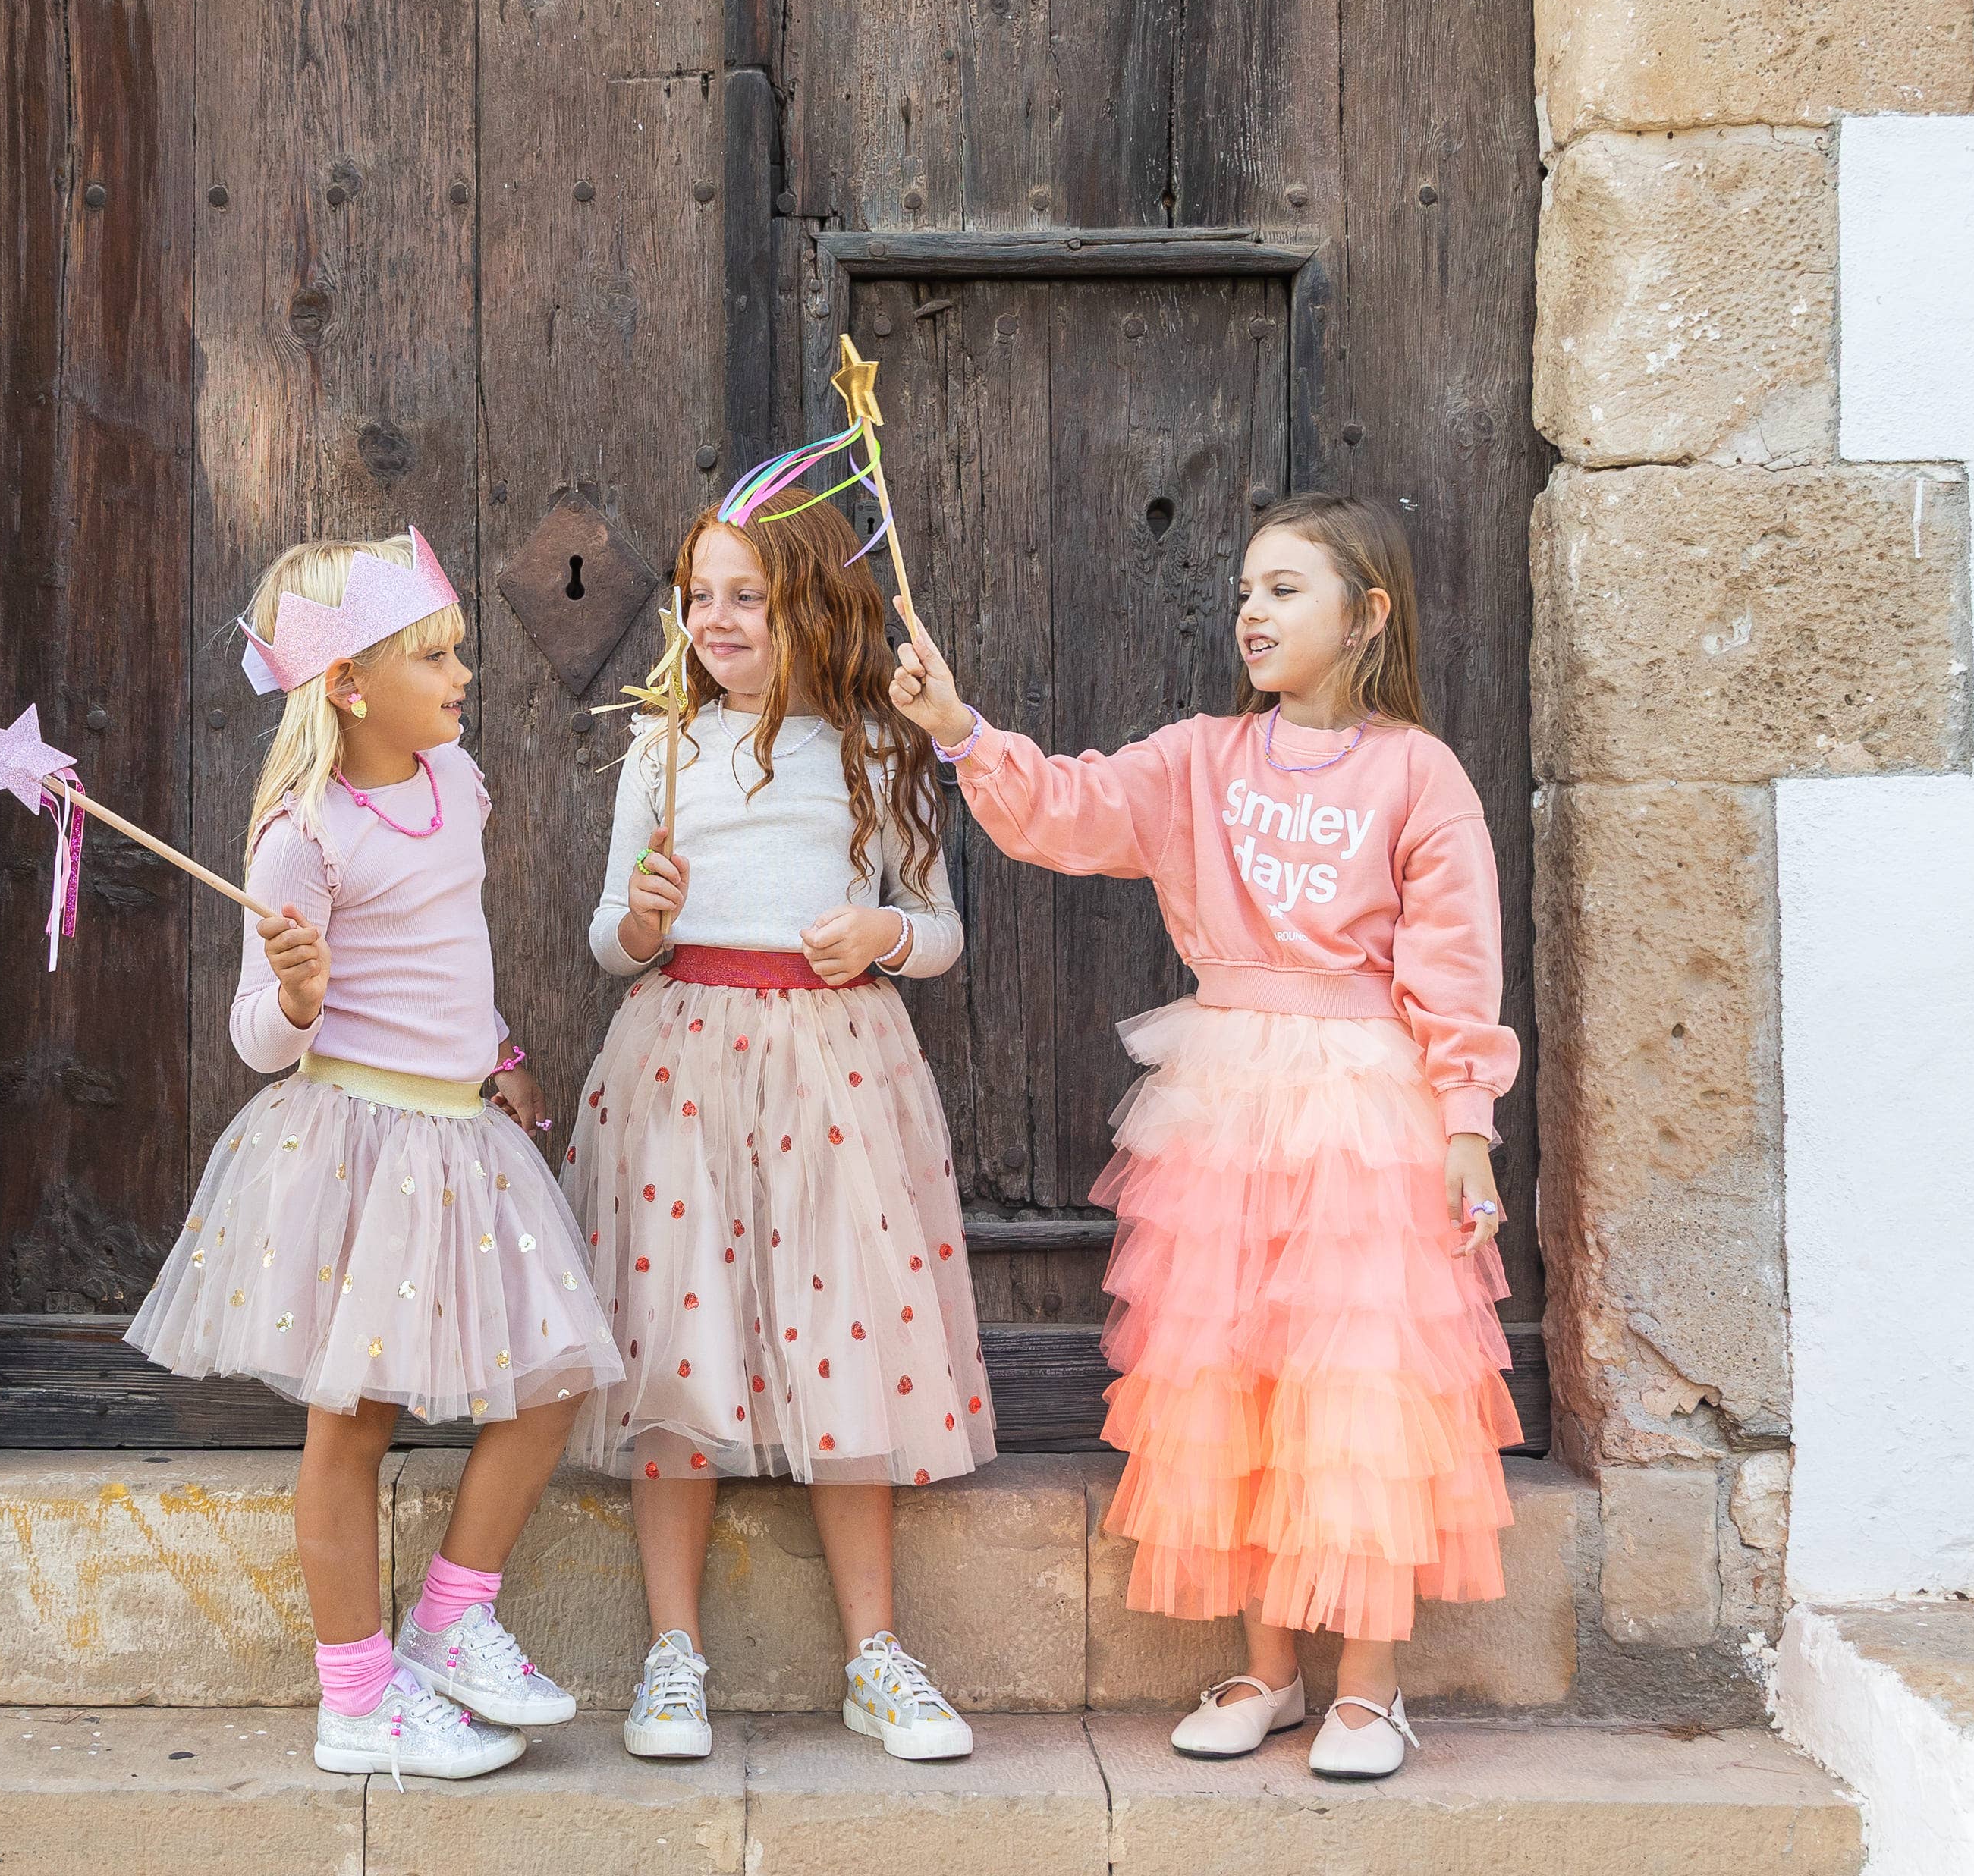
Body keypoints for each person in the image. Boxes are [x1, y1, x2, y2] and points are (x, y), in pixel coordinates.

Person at [889, 498, 1517, 1783]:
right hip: (1224, 1099)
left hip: (1361, 1108)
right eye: (1245, 591)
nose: (1252, 614)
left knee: (1356, 1389)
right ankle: (1268, 1671)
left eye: (1285, 590)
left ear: (1366, 615)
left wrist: (1466, 1123)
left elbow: (1455, 962)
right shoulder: (1199, 760)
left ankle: (1369, 1690)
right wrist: (960, 732)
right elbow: (1071, 810)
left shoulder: (1419, 775)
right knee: (1231, 1374)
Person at [125, 528, 621, 1780]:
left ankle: (451, 1622)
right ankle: (354, 1700)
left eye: (456, 651)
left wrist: (498, 1049)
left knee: (554, 1377)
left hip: (462, 1135)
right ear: (348, 683)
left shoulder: (460, 783)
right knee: (352, 1424)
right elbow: (256, 1038)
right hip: (358, 1146)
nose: (463, 674)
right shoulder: (303, 835)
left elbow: (449, 947)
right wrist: (297, 997)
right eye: (433, 656)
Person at [567, 485, 990, 1764]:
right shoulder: (662, 749)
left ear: (814, 604)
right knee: (675, 1337)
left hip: (834, 1066)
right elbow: (608, 938)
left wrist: (884, 934)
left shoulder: (879, 750)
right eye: (698, 596)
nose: (715, 619)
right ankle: (673, 1653)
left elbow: (941, 928)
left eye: (745, 596)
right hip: (682, 1061)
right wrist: (643, 921)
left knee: (846, 1331)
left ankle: (874, 1654)